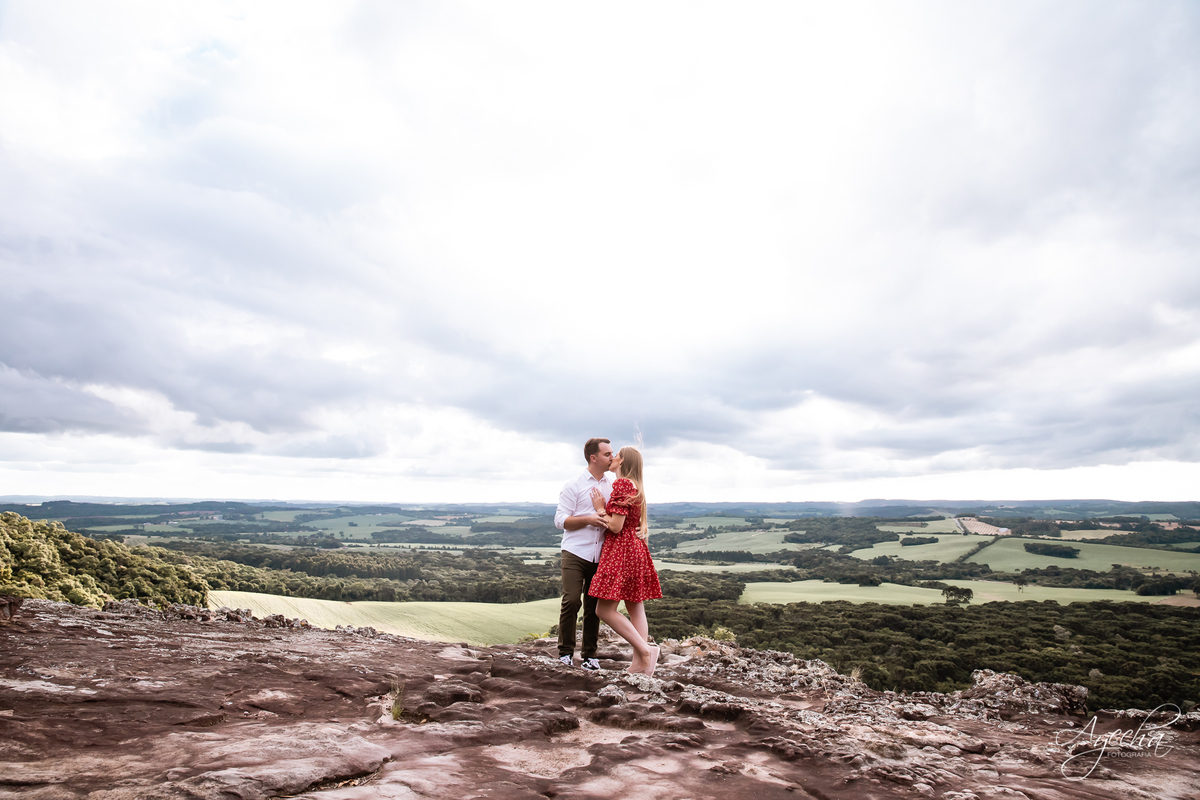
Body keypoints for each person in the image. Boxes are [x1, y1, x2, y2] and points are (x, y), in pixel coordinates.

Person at [587, 446, 662, 676]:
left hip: (621, 550)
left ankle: (645, 650)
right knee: (635, 605)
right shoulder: (636, 486)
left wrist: (600, 510)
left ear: (623, 462)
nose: (613, 458)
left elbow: (616, 526)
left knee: (604, 610)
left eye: (616, 455)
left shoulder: (621, 484)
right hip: (635, 549)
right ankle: (641, 664)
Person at [552, 437, 614, 670]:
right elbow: (560, 520)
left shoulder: (612, 486)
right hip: (575, 552)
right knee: (571, 601)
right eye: (607, 454)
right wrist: (589, 519)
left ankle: (590, 656)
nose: (612, 457)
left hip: (602, 554)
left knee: (593, 606)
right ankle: (565, 653)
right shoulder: (574, 485)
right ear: (593, 457)